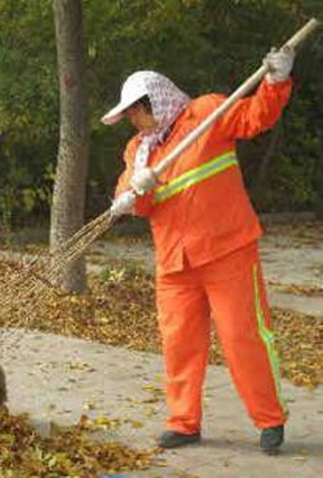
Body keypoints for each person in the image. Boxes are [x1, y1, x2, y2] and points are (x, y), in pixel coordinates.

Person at [101, 46, 295, 455]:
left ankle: (269, 419)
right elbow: (137, 201)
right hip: (174, 263)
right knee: (178, 345)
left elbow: (255, 117)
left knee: (244, 338)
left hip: (228, 250)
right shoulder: (139, 152)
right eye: (129, 115)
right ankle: (183, 422)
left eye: (136, 111)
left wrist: (276, 81)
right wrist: (130, 195)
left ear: (156, 99)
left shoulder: (205, 112)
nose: (132, 121)